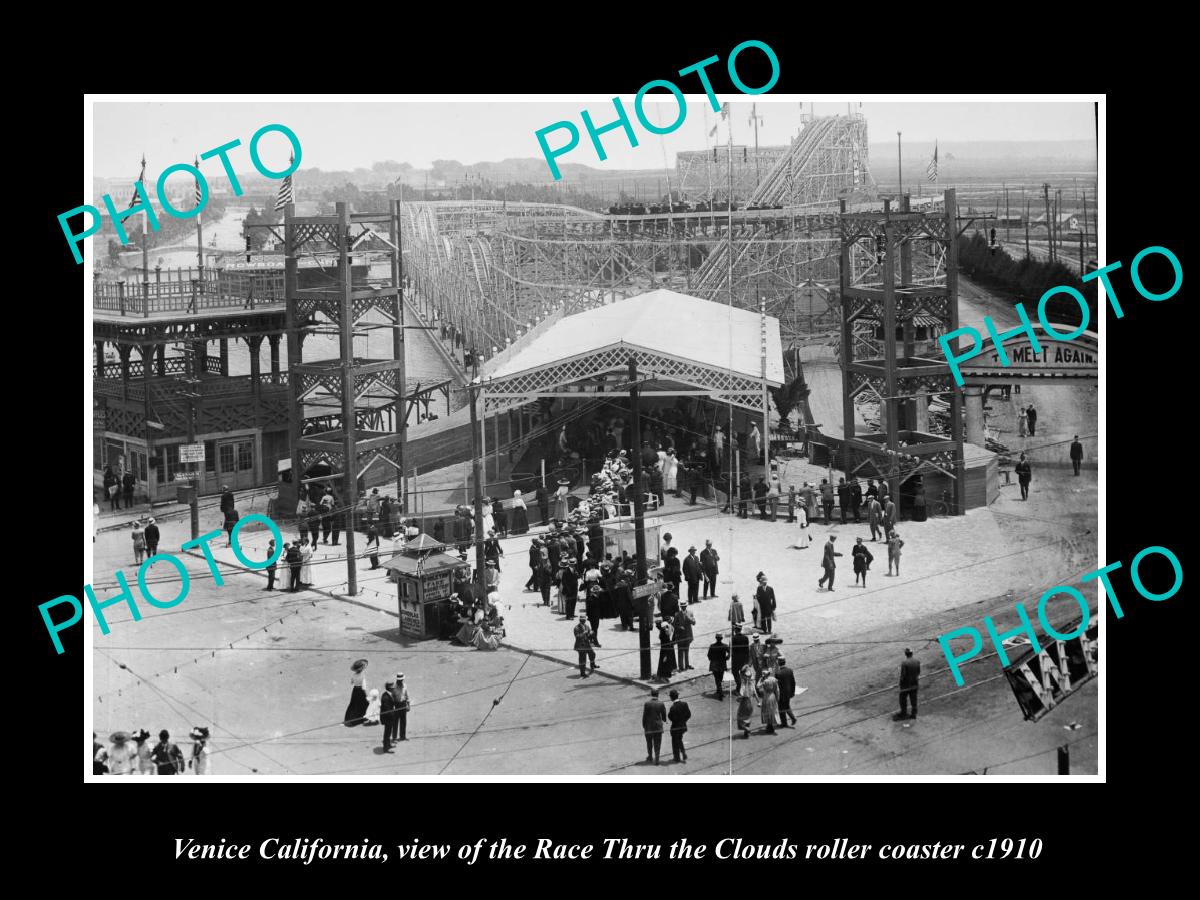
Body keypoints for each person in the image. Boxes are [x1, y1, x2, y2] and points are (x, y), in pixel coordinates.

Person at [642, 689, 668, 764]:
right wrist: (664, 720)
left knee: (649, 742)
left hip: (648, 726)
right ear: (658, 695)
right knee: (657, 743)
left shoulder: (647, 703)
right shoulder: (661, 703)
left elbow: (644, 716)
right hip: (658, 727)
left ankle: (650, 756)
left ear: (651, 694)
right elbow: (663, 716)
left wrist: (644, 725)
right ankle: (657, 759)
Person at [668, 689, 691, 763]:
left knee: (675, 742)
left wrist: (676, 721)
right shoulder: (684, 704)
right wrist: (683, 721)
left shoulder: (673, 707)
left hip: (675, 728)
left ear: (671, 697)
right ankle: (683, 753)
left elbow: (670, 717)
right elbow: (688, 714)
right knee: (679, 739)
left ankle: (677, 758)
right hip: (683, 727)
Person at [344, 658, 369, 725]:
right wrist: (367, 695)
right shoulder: (363, 676)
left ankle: (350, 718)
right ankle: (363, 718)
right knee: (364, 704)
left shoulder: (354, 675)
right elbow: (364, 688)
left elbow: (351, 682)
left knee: (353, 704)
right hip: (360, 691)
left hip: (355, 690)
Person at [775, 657, 798, 727]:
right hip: (788, 692)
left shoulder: (778, 673)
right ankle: (790, 720)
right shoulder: (790, 670)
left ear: (778, 663)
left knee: (781, 708)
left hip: (781, 694)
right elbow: (793, 682)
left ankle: (786, 721)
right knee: (786, 705)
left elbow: (776, 686)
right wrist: (793, 692)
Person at [735, 664, 757, 738]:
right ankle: (746, 734)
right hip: (751, 703)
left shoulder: (743, 686)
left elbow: (741, 696)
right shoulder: (752, 684)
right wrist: (758, 702)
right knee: (748, 718)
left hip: (744, 704)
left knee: (740, 718)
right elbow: (755, 693)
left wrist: (738, 699)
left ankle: (746, 729)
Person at [899, 648, 920, 720]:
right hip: (915, 683)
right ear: (912, 653)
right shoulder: (917, 661)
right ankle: (914, 714)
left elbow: (903, 675)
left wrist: (901, 683)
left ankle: (903, 713)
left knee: (902, 699)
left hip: (906, 685)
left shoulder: (904, 663)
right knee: (914, 699)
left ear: (905, 654)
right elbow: (918, 672)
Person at [673, 601, 695, 670]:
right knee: (680, 651)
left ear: (686, 606)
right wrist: (679, 627)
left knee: (686, 651)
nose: (683, 607)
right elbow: (674, 625)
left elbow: (694, 622)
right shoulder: (677, 614)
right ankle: (681, 667)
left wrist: (688, 618)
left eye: (684, 606)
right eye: (682, 606)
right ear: (680, 607)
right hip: (680, 636)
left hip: (688, 635)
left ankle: (687, 665)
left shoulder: (690, 613)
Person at [708, 633, 730, 698]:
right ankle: (719, 691)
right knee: (720, 678)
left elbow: (709, 655)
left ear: (716, 638)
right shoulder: (725, 646)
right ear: (722, 638)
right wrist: (726, 658)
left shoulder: (712, 646)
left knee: (717, 678)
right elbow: (729, 654)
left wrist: (712, 660)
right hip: (722, 665)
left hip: (714, 665)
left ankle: (719, 690)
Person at [759, 667, 780, 734]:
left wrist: (760, 680)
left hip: (766, 697)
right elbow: (777, 690)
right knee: (772, 711)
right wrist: (777, 698)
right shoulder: (774, 680)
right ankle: (771, 725)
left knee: (767, 711)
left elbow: (758, 687)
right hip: (773, 696)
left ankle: (769, 726)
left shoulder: (764, 682)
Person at [730, 623, 750, 690]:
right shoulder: (745, 638)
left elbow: (731, 649)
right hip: (744, 659)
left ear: (735, 630)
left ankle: (739, 686)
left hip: (735, 659)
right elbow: (747, 650)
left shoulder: (733, 638)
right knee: (743, 673)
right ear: (741, 629)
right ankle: (744, 689)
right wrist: (747, 661)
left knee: (735, 672)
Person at [391, 674, 410, 743]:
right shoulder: (394, 687)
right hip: (396, 705)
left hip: (403, 704)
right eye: (399, 680)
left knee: (403, 721)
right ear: (397, 680)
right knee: (395, 722)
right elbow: (392, 697)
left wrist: (408, 704)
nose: (400, 681)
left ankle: (403, 736)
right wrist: (392, 707)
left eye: (401, 680)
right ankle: (394, 738)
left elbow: (406, 695)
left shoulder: (405, 685)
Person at [379, 680, 397, 752]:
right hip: (387, 718)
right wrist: (394, 713)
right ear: (390, 688)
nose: (394, 689)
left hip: (390, 717)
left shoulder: (389, 694)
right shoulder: (385, 697)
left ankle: (388, 744)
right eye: (393, 688)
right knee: (387, 733)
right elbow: (387, 710)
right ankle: (385, 748)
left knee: (389, 732)